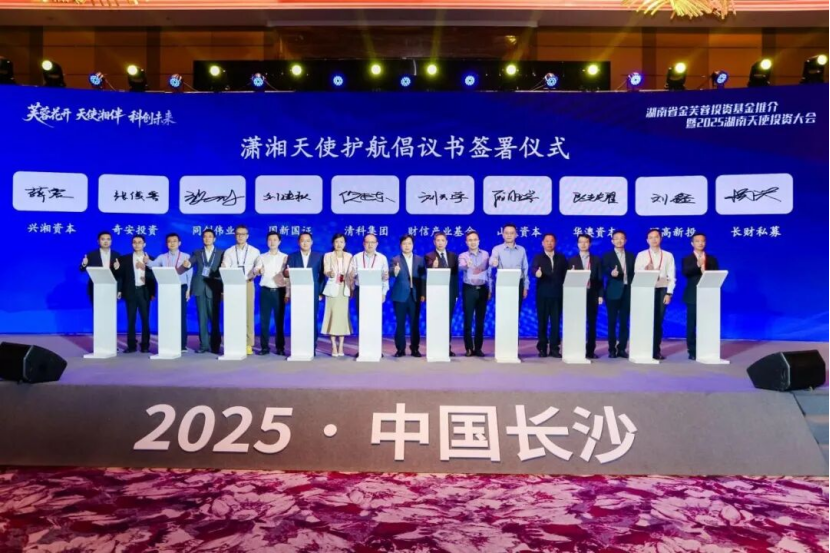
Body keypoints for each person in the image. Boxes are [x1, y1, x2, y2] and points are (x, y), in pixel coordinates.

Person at [635, 229, 677, 360]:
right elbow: (636, 274)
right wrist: (646, 270)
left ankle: (656, 350)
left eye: (656, 237)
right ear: (647, 240)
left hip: (662, 290)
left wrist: (669, 293)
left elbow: (672, 277)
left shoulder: (668, 255)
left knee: (658, 322)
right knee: (645, 321)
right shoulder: (641, 255)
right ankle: (643, 349)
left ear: (661, 238)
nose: (654, 240)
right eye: (651, 237)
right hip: (645, 291)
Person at [147, 233, 192, 352]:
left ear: (179, 243)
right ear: (167, 244)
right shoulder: (162, 257)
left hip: (181, 288)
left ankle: (182, 345)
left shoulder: (186, 256)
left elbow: (189, 274)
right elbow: (152, 265)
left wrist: (189, 289)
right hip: (166, 288)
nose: (172, 243)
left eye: (174, 241)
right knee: (167, 315)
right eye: (169, 241)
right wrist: (147, 261)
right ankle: (168, 342)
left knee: (181, 316)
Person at [221, 224, 261, 356]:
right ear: (235, 236)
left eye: (243, 234)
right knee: (233, 314)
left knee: (248, 314)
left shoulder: (254, 251)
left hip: (247, 283)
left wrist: (257, 270)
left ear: (247, 236)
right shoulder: (229, 251)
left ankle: (248, 344)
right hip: (232, 284)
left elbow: (258, 265)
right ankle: (233, 341)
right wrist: (223, 267)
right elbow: (225, 265)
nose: (240, 236)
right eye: (238, 234)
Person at [285, 232, 326, 355]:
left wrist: (320, 292)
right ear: (299, 242)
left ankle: (311, 346)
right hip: (298, 293)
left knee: (311, 319)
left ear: (311, 242)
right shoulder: (292, 256)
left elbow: (322, 276)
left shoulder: (318, 256)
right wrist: (286, 273)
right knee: (298, 319)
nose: (305, 243)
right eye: (303, 241)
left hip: (313, 292)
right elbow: (286, 274)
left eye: (308, 241)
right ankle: (298, 346)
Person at [183, 228, 223, 354]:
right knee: (202, 318)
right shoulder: (197, 252)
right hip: (200, 288)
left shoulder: (221, 253)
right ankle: (204, 345)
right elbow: (190, 263)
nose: (207, 238)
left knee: (214, 319)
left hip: (214, 289)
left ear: (214, 239)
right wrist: (187, 264)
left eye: (210, 236)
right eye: (205, 236)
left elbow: (223, 272)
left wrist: (222, 290)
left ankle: (215, 346)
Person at [114, 235, 156, 354]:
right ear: (132, 244)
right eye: (134, 242)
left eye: (139, 242)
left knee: (145, 320)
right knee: (131, 319)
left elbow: (154, 277)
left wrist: (152, 292)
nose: (137, 244)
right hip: (130, 292)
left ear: (144, 244)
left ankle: (145, 345)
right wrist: (119, 288)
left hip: (144, 292)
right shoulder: (125, 259)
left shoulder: (151, 259)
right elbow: (121, 277)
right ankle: (131, 345)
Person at [682, 232, 719, 361]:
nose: (700, 243)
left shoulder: (712, 259)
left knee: (707, 324)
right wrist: (697, 265)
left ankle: (707, 348)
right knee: (691, 325)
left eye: (703, 241)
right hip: (692, 295)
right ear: (692, 243)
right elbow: (686, 272)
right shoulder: (687, 259)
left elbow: (716, 276)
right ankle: (692, 351)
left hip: (709, 296)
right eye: (697, 241)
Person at [568, 234, 604, 359]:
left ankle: (590, 351)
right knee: (576, 323)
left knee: (592, 324)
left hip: (592, 295)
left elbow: (600, 279)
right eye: (581, 242)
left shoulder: (596, 260)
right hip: (576, 296)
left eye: (586, 242)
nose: (583, 244)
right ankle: (576, 349)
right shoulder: (571, 260)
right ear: (577, 244)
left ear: (590, 244)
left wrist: (600, 295)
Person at [531, 234, 568, 358]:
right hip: (543, 295)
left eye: (552, 241)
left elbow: (567, 274)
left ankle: (554, 348)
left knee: (556, 322)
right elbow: (533, 269)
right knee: (542, 322)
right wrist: (537, 273)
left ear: (555, 243)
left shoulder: (561, 258)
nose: (549, 243)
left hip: (557, 294)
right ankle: (542, 348)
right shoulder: (538, 257)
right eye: (547, 241)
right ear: (542, 243)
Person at [254, 231, 289, 356]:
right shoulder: (261, 257)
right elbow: (256, 269)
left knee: (279, 321)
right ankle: (264, 347)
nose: (272, 242)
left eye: (275, 240)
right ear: (267, 242)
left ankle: (280, 347)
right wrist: (259, 270)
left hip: (279, 291)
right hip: (266, 291)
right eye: (270, 239)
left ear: (279, 242)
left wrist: (287, 293)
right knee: (264, 321)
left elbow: (288, 277)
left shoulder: (285, 257)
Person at [424, 232, 459, 357]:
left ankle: (446, 347)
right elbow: (428, 272)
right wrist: (433, 268)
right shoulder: (429, 256)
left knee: (447, 321)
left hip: (449, 294)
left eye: (442, 240)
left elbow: (455, 277)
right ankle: (434, 347)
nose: (440, 243)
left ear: (446, 242)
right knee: (436, 320)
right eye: (438, 240)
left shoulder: (453, 256)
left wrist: (456, 294)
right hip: (435, 294)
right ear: (434, 242)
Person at [390, 235, 426, 358]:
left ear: (413, 245)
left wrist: (423, 293)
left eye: (409, 243)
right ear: (401, 245)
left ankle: (415, 348)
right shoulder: (395, 259)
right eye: (404, 243)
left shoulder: (420, 260)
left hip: (415, 296)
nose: (407, 246)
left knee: (415, 324)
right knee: (400, 323)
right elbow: (390, 273)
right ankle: (400, 349)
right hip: (400, 295)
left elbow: (423, 277)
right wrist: (394, 271)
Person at [603, 230, 636, 359]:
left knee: (624, 322)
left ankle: (622, 348)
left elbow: (634, 273)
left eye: (622, 238)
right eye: (616, 238)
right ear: (612, 241)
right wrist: (611, 273)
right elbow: (604, 270)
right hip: (612, 292)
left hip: (628, 291)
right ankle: (611, 349)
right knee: (612, 322)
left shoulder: (631, 256)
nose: (619, 241)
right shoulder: (607, 256)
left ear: (625, 240)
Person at [458, 231, 491, 357]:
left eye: (475, 239)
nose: (473, 242)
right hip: (469, 289)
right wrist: (466, 265)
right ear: (466, 242)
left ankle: (478, 348)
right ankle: (468, 348)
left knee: (480, 321)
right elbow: (460, 266)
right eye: (470, 240)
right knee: (468, 320)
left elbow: (489, 273)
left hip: (483, 289)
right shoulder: (463, 255)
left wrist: (490, 289)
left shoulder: (486, 254)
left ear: (479, 241)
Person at [321, 234, 353, 357]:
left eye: (341, 242)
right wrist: (330, 273)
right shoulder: (328, 255)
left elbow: (351, 273)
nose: (339, 244)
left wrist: (351, 287)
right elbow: (325, 270)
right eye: (336, 242)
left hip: (344, 289)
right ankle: (333, 346)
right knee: (332, 317)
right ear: (333, 243)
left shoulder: (349, 256)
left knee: (342, 318)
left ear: (345, 243)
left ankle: (341, 347)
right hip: (332, 289)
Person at [490, 223, 529, 309]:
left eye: (512, 233)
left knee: (516, 310)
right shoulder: (497, 249)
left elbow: (525, 269)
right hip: (502, 283)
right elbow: (492, 260)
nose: (509, 235)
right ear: (503, 234)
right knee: (502, 310)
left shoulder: (521, 250)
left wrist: (525, 287)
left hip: (518, 283)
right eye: (506, 233)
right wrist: (493, 262)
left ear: (516, 235)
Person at [348, 233, 390, 311]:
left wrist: (383, 293)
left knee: (374, 315)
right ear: (364, 243)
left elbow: (385, 277)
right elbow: (351, 276)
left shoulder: (382, 258)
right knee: (360, 315)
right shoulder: (357, 257)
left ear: (377, 244)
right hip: (360, 290)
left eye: (372, 242)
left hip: (376, 290)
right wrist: (352, 287)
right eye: (367, 242)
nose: (370, 245)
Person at [80, 231, 120, 303]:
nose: (106, 241)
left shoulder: (117, 255)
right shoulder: (92, 255)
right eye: (103, 239)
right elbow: (81, 269)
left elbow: (121, 274)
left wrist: (119, 289)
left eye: (108, 239)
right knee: (97, 309)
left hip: (112, 287)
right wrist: (84, 264)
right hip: (95, 287)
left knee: (110, 308)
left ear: (111, 241)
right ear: (98, 241)